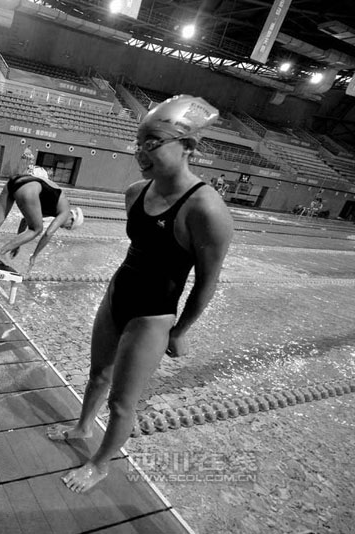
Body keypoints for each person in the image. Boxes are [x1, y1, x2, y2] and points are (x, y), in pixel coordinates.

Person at [46, 95, 234, 493]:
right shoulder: (135, 191)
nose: (141, 152)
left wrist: (179, 331)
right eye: (138, 142)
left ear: (189, 147)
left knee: (121, 402)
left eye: (152, 142)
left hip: (154, 313)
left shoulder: (207, 209)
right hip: (119, 292)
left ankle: (99, 465)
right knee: (97, 375)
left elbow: (207, 281)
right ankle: (82, 428)